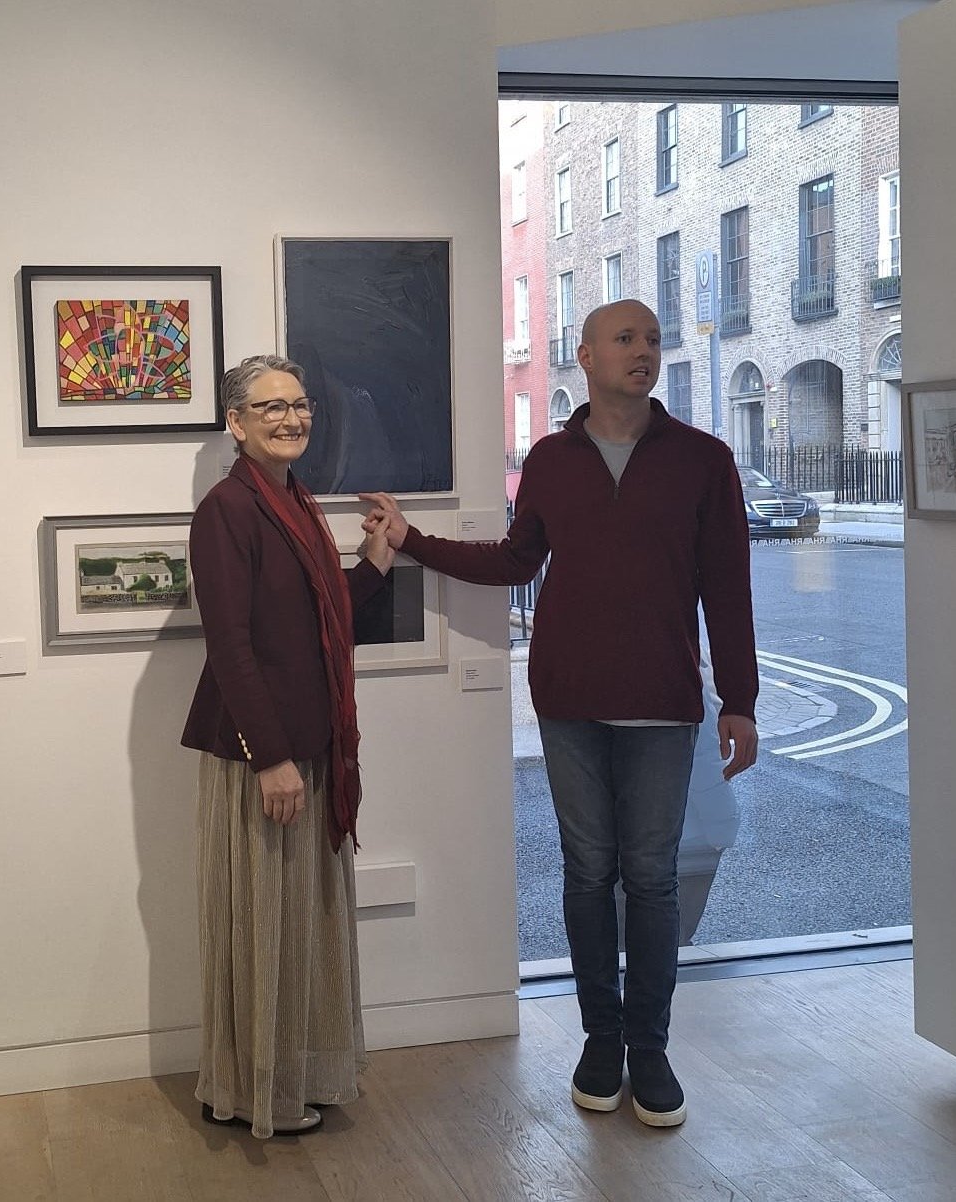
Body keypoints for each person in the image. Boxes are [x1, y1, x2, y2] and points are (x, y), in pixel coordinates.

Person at [362, 299, 759, 1128]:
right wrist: (412, 540)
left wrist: (742, 702)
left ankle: (648, 1049)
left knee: (651, 879)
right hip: (570, 698)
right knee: (588, 874)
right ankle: (599, 1040)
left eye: (652, 339)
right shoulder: (550, 458)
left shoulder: (703, 459)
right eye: (626, 339)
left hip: (662, 702)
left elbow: (726, 588)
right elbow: (515, 559)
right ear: (586, 356)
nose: (644, 352)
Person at [182, 353, 396, 1138]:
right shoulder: (227, 510)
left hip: (308, 744)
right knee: (264, 925)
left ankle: (290, 1072)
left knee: (296, 926)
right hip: (260, 756)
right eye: (269, 407)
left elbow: (319, 615)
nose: (290, 418)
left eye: (299, 404)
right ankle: (250, 1090)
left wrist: (373, 564)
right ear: (236, 424)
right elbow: (231, 647)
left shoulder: (294, 500)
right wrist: (270, 757)